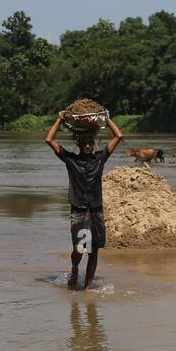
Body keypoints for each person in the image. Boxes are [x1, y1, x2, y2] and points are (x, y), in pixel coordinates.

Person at [45, 110, 123, 291]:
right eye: (85, 143)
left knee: (93, 250)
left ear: (93, 144)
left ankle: (87, 288)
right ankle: (74, 269)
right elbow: (49, 140)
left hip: (95, 210)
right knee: (80, 249)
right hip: (79, 211)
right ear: (80, 145)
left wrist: (106, 118)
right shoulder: (71, 160)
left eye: (90, 143)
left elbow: (118, 136)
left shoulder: (100, 159)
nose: (88, 146)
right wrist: (59, 119)